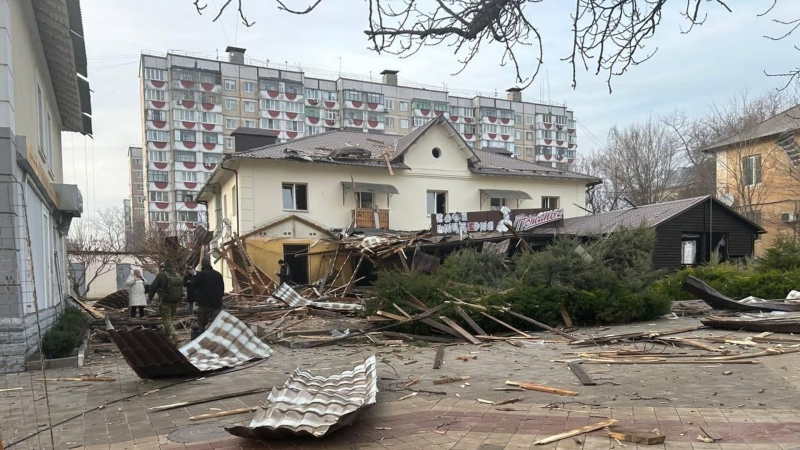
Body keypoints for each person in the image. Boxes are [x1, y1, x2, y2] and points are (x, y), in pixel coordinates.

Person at [148, 260, 184, 342]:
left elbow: (153, 287)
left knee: (166, 319)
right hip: (175, 301)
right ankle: (167, 337)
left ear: (165, 266)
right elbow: (181, 288)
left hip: (165, 300)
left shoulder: (161, 275)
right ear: (173, 266)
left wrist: (150, 297)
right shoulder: (177, 275)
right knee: (170, 318)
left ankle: (174, 335)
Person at [187, 257, 225, 332]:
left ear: (202, 265)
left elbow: (194, 286)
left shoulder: (200, 275)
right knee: (217, 325)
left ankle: (202, 340)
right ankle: (218, 341)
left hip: (204, 304)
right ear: (210, 264)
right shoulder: (218, 274)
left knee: (201, 325)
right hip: (216, 304)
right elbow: (222, 288)